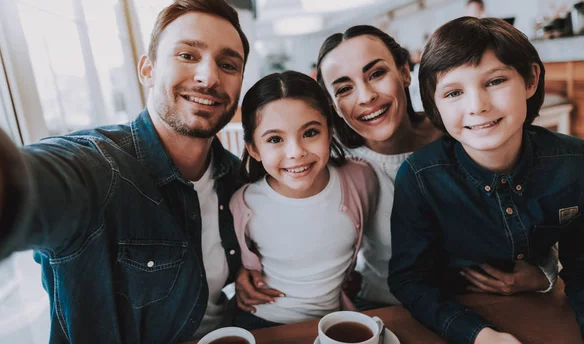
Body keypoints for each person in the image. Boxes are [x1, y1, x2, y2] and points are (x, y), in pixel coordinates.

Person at [0, 0, 250, 343]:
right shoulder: (97, 167)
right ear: (147, 70)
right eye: (188, 55)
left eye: (227, 64)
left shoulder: (235, 177)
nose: (209, 77)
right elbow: (35, 183)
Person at [234, 25, 557, 312]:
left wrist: (544, 272)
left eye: (376, 74)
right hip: (384, 307)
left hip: (483, 304)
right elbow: (266, 206)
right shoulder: (329, 163)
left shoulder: (468, 134)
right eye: (344, 88)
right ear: (332, 102)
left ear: (405, 71)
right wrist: (244, 265)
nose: (366, 97)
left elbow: (539, 210)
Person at [388, 17, 584, 344]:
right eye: (453, 92)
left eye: (494, 82)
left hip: (538, 307)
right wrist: (478, 335)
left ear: (531, 79)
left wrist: (543, 278)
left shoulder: (575, 164)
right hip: (451, 317)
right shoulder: (420, 177)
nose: (477, 106)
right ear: (432, 102)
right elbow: (410, 280)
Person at [230, 71, 378, 329]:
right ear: (253, 148)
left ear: (330, 132)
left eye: (310, 133)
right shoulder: (243, 203)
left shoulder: (360, 179)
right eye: (275, 139)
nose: (296, 152)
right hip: (261, 321)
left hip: (335, 321)